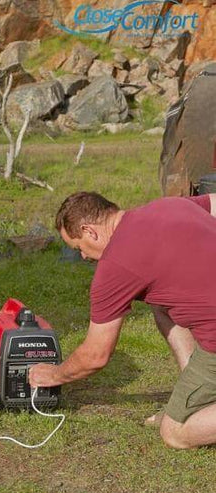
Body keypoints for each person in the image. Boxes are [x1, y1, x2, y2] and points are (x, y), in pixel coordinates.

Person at [28, 191, 216, 449]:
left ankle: (191, 413)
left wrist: (53, 375)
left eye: (78, 247)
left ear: (89, 231)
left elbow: (96, 355)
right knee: (159, 305)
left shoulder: (115, 266)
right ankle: (197, 397)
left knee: (175, 433)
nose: (83, 256)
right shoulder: (171, 205)